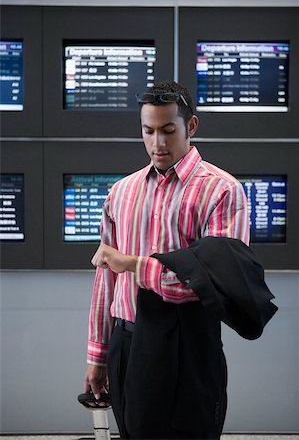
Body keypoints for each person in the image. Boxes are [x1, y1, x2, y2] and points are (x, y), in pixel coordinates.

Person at [84, 81, 250, 439]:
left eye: (168, 130)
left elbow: (212, 284)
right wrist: (97, 354)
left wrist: (132, 264)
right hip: (126, 341)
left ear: (190, 127)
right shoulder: (121, 192)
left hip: (189, 344)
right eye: (149, 131)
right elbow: (105, 280)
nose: (157, 142)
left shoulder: (222, 191)